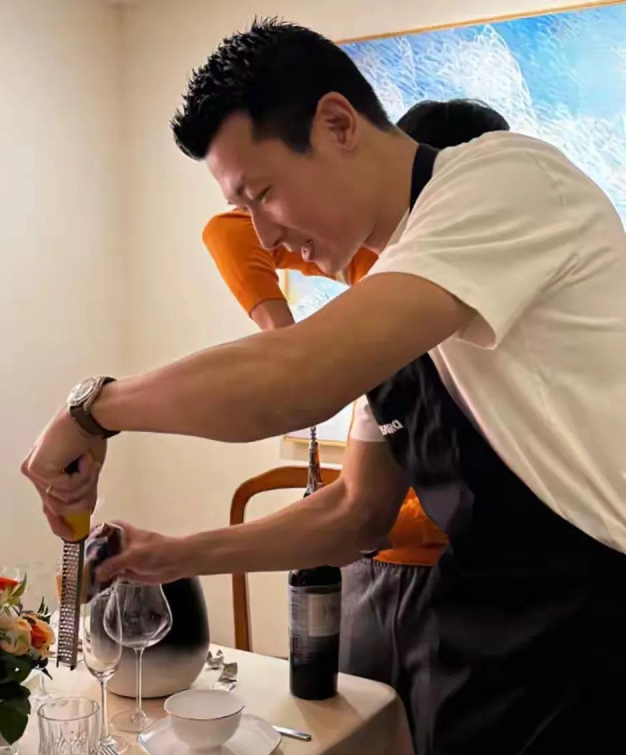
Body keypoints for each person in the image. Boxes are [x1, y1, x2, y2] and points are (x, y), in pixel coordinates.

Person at [22, 19, 626, 755]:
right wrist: (174, 554)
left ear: (339, 123)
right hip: (486, 657)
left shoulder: (505, 181)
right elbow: (354, 514)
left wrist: (90, 407)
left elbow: (291, 381)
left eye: (264, 194)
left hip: (590, 641)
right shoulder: (398, 304)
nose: (266, 235)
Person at [203, 100, 506, 692]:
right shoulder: (378, 259)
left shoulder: (492, 286)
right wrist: (283, 335)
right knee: (344, 727)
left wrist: (365, 521)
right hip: (366, 567)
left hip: (454, 575)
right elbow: (228, 230)